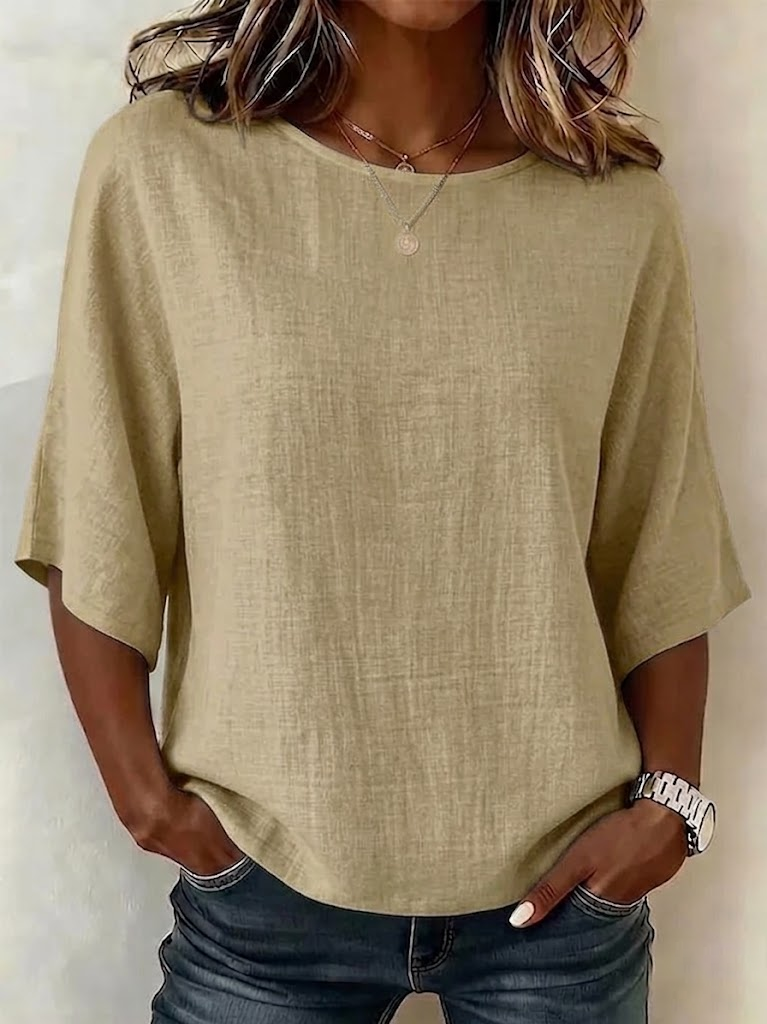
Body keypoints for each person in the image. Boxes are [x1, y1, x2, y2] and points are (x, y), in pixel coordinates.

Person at [13, 1, 752, 1021]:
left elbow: (658, 541)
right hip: (263, 897)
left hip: (561, 905)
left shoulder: (614, 207)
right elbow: (97, 505)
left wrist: (669, 807)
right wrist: (147, 803)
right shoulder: (164, 172)